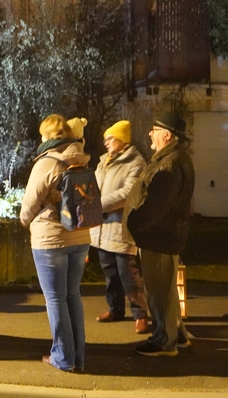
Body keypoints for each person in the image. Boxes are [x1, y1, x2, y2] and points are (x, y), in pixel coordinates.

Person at [20, 114, 90, 372]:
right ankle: (77, 357)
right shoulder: (80, 159)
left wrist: (25, 221)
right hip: (80, 236)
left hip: (51, 239)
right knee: (73, 295)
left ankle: (63, 357)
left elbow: (30, 203)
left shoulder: (47, 162)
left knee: (55, 299)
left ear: (48, 136)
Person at [126, 112, 195, 357]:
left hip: (158, 237)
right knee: (166, 291)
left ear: (167, 135)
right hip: (164, 236)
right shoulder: (174, 158)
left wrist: (135, 222)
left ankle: (164, 341)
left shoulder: (169, 163)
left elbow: (157, 205)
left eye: (154, 130)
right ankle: (178, 335)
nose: (150, 134)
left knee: (158, 292)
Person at [90, 120, 149, 334]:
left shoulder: (136, 163)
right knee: (110, 273)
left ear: (122, 140)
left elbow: (128, 194)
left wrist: (97, 204)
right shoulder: (103, 161)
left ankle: (140, 314)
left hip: (121, 228)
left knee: (128, 274)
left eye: (110, 138)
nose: (106, 142)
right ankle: (115, 309)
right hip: (102, 228)